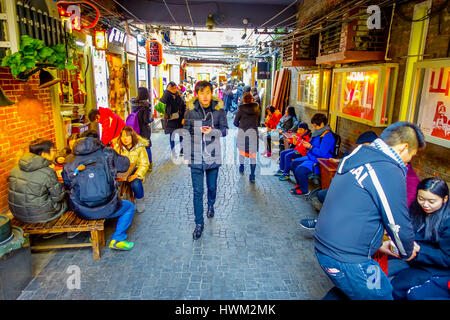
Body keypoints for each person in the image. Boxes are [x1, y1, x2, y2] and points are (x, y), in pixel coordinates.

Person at [314, 121, 426, 299]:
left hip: (329, 248)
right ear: (404, 147)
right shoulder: (388, 169)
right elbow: (396, 221)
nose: (408, 162)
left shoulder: (358, 154)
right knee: (381, 295)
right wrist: (406, 249)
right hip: (348, 258)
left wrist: (380, 245)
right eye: (411, 156)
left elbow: (356, 209)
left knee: (362, 290)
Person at [62, 130, 135, 250]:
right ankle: (118, 238)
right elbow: (125, 165)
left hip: (82, 210)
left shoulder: (69, 160)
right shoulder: (107, 153)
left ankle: (92, 235)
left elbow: (67, 182)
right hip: (109, 206)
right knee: (129, 207)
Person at [380, 177, 449, 300]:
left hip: (435, 266)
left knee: (397, 287)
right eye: (421, 198)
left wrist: (418, 250)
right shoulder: (417, 207)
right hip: (412, 256)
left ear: (445, 199)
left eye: (431, 201)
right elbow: (408, 227)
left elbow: (447, 258)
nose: (425, 204)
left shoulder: (447, 221)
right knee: (379, 275)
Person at [299, 130, 378, 229]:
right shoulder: (362, 155)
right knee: (323, 194)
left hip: (361, 196)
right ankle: (325, 221)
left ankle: (323, 223)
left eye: (364, 146)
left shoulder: (377, 162)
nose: (361, 148)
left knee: (336, 197)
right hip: (351, 188)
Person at [183, 81, 228, 240]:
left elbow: (225, 131)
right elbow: (186, 133)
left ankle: (210, 204)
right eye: (202, 93)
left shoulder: (218, 110)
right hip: (195, 155)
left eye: (208, 92)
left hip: (213, 154)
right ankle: (199, 223)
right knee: (197, 191)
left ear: (212, 93)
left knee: (211, 187)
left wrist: (212, 131)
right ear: (197, 94)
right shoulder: (190, 112)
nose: (205, 96)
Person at [8, 139, 67, 223]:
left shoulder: (16, 167)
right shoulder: (48, 172)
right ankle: (58, 231)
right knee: (67, 200)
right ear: (43, 154)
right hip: (40, 215)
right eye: (53, 150)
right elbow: (58, 197)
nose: (55, 152)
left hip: (17, 213)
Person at [290, 113, 335, 196]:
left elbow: (322, 153)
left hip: (320, 161)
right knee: (293, 163)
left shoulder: (328, 136)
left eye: (315, 125)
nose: (314, 128)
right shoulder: (318, 133)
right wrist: (307, 145)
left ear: (322, 124)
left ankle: (304, 190)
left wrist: (310, 146)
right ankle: (300, 185)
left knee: (300, 170)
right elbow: (312, 147)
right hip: (311, 156)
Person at [112, 126, 150, 214]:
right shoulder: (117, 147)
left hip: (135, 170)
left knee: (136, 183)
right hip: (121, 171)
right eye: (123, 136)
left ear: (132, 136)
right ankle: (116, 204)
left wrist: (137, 175)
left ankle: (140, 200)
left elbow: (144, 164)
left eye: (127, 136)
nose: (125, 139)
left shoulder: (140, 147)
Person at [234, 92, 261, 182]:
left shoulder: (241, 110)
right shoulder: (257, 108)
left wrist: (241, 126)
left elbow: (235, 122)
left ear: (244, 100)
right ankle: (252, 175)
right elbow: (259, 121)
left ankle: (241, 167)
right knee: (253, 155)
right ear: (252, 99)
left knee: (242, 151)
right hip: (253, 133)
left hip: (243, 133)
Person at [160, 82, 186, 158]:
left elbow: (184, 106)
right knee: (172, 136)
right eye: (172, 88)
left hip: (180, 119)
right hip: (171, 120)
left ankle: (182, 151)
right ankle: (173, 152)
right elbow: (160, 106)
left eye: (175, 88)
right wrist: (167, 91)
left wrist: (184, 117)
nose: (174, 89)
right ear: (168, 88)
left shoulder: (178, 95)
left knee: (181, 136)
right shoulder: (166, 95)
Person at [130, 87, 153, 170]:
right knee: (146, 146)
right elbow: (146, 120)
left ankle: (139, 163)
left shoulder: (133, 104)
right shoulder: (146, 106)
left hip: (135, 127)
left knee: (137, 146)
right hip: (143, 129)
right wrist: (152, 119)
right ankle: (149, 164)